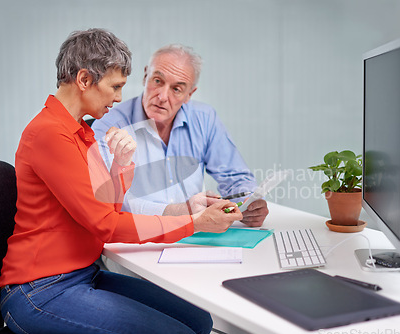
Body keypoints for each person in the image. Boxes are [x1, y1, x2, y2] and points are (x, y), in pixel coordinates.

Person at [0, 28, 242, 334]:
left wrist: (121, 165)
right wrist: (194, 223)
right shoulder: (49, 134)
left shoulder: (80, 132)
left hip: (82, 273)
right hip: (40, 290)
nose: (118, 98)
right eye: (115, 87)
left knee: (199, 321)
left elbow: (104, 208)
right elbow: (105, 225)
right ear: (84, 80)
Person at [92, 44, 269, 227]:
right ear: (146, 76)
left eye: (176, 89)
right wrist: (181, 211)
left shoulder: (204, 119)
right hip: (135, 238)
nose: (162, 96)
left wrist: (248, 202)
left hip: (194, 235)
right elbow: (106, 202)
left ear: (189, 94)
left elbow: (235, 176)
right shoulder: (109, 124)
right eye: (158, 81)